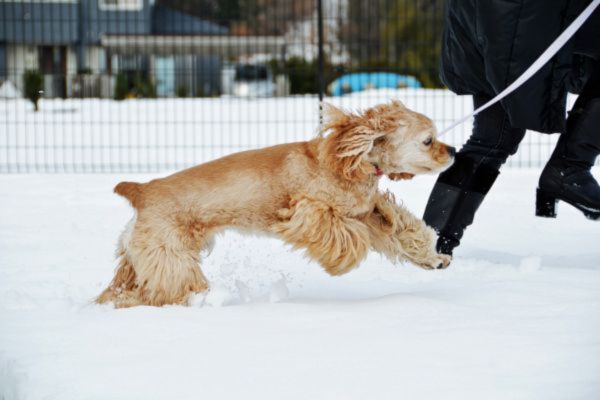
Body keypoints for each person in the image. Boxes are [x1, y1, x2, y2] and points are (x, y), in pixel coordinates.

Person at [423, 0, 600, 256]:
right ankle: (569, 169)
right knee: (493, 137)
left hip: (490, 14)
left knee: (492, 137)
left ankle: (429, 241)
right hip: (527, 15)